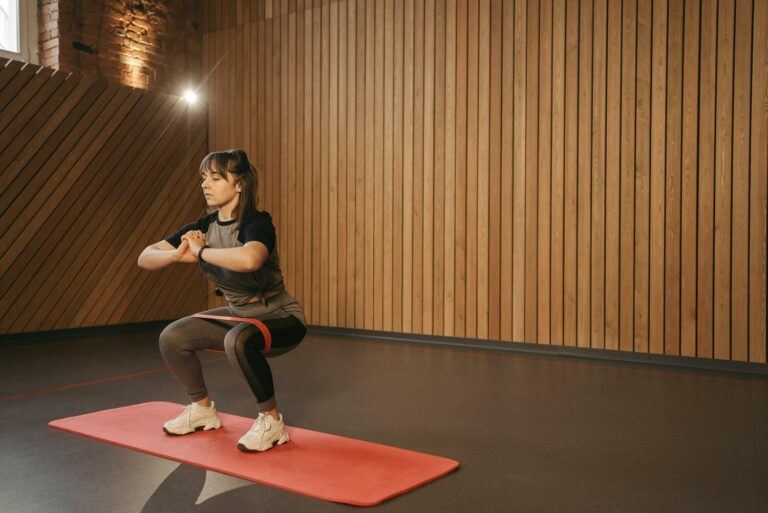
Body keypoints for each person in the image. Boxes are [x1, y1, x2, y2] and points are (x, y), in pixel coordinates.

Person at [137, 149, 307, 453]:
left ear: (239, 184)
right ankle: (201, 409)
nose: (205, 184)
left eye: (215, 178)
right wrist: (176, 254)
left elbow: (250, 259)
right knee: (172, 336)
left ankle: (272, 422)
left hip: (280, 316)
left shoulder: (257, 222)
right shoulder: (204, 226)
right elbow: (145, 257)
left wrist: (200, 252)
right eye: (204, 178)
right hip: (239, 313)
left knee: (236, 340)